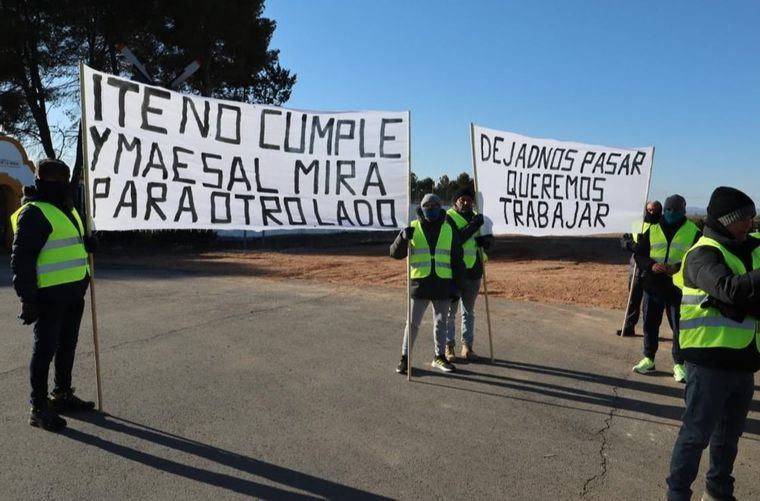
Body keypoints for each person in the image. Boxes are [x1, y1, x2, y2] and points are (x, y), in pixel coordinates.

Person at [666, 187, 760, 501]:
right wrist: (740, 301)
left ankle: (718, 492)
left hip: (745, 361)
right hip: (708, 363)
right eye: (744, 217)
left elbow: (737, 298)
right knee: (696, 435)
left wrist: (741, 305)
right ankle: (677, 494)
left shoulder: (753, 247)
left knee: (728, 438)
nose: (751, 222)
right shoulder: (702, 254)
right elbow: (728, 289)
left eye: (752, 216)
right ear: (725, 220)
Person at [10, 158, 96, 432]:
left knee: (67, 346)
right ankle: (38, 407)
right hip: (48, 296)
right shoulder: (34, 212)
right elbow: (22, 259)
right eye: (60, 179)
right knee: (44, 349)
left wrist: (88, 244)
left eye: (67, 178)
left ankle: (62, 394)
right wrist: (27, 298)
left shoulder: (66, 208)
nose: (65, 184)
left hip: (73, 292)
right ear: (43, 181)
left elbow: (68, 245)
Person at [390, 193, 465, 374]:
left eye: (434, 205)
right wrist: (402, 237)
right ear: (421, 208)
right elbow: (394, 253)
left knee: (441, 323)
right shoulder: (412, 227)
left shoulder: (448, 229)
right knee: (412, 323)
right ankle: (405, 358)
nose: (430, 208)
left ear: (441, 207)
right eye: (427, 205)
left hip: (442, 284)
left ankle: (439, 357)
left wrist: (457, 286)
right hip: (419, 284)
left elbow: (457, 259)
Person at [632, 194, 701, 382]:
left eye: (676, 210)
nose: (671, 213)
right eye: (669, 209)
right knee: (649, 324)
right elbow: (639, 254)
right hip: (652, 286)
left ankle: (679, 365)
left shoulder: (693, 231)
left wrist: (677, 267)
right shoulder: (653, 228)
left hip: (677, 288)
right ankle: (648, 358)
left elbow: (698, 258)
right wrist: (651, 265)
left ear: (683, 211)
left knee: (679, 328)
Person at [444, 187, 492, 361]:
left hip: (474, 272)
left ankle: (467, 347)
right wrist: (473, 226)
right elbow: (457, 240)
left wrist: (485, 241)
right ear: (455, 202)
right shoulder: (448, 218)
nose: (465, 202)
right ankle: (448, 347)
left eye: (468, 199)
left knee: (468, 312)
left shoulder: (478, 217)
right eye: (461, 199)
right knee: (450, 313)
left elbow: (485, 241)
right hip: (454, 273)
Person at [617, 201, 662, 336]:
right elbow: (624, 240)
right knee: (633, 299)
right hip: (635, 267)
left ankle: (649, 332)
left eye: (654, 210)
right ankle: (629, 327)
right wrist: (633, 246)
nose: (651, 212)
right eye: (649, 210)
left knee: (650, 304)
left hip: (652, 268)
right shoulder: (637, 223)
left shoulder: (662, 226)